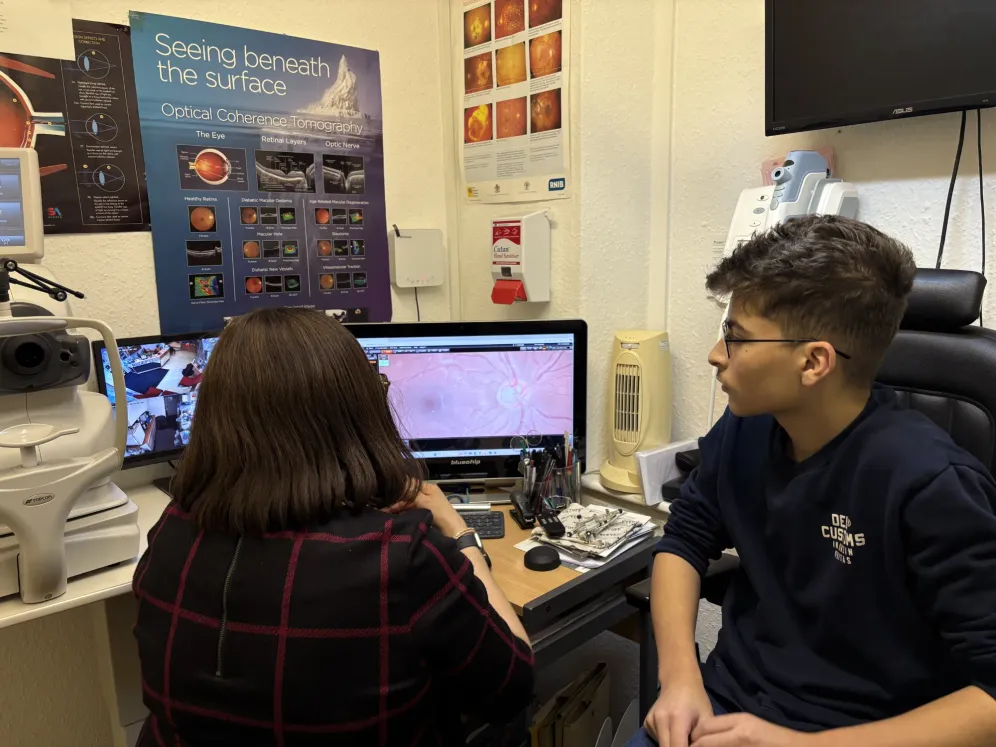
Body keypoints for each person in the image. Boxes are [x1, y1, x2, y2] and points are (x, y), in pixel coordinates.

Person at [631, 215, 996, 747]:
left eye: (736, 338)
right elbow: (683, 541)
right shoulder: (747, 426)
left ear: (814, 362)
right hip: (725, 708)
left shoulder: (932, 482)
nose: (716, 355)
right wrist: (680, 681)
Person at [132, 308, 534, 746]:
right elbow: (513, 688)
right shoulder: (403, 557)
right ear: (358, 411)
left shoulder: (170, 532)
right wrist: (461, 534)